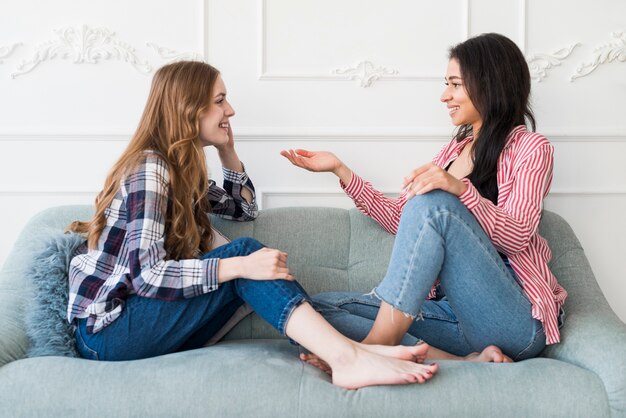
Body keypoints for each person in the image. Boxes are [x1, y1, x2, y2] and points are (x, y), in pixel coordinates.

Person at [65, 61, 438, 390]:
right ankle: (349, 358)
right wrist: (239, 266)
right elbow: (147, 277)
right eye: (219, 101)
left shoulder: (180, 171)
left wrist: (227, 149)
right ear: (187, 107)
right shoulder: (151, 168)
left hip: (144, 324)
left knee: (249, 262)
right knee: (246, 256)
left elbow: (243, 210)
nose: (230, 109)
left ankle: (351, 354)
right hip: (109, 334)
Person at [281, 33, 567, 366]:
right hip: (454, 320)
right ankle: (461, 360)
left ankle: (377, 347)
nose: (445, 96)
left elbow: (517, 236)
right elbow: (405, 218)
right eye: (446, 84)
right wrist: (341, 171)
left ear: (489, 84)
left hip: (513, 321)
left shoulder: (532, 148)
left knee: (434, 203)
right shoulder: (452, 152)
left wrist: (460, 191)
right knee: (309, 314)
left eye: (455, 85)